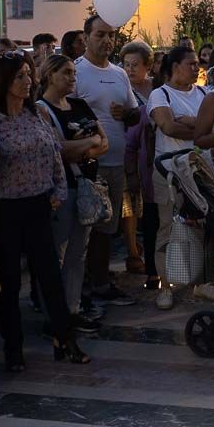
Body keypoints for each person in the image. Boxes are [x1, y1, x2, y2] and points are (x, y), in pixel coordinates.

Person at [0, 53, 88, 370]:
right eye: (19, 77)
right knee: (10, 283)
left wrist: (56, 190)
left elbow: (54, 152)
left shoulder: (36, 115)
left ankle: (64, 339)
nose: (28, 82)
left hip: (40, 205)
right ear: (3, 82)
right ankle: (14, 349)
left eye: (29, 75)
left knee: (50, 278)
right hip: (5, 210)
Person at [37, 55, 108, 333]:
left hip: (85, 186)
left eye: (73, 74)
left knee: (79, 252)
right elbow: (57, 149)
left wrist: (84, 145)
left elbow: (104, 142)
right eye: (66, 73)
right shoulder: (42, 109)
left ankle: (73, 307)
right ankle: (53, 312)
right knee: (58, 251)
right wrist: (88, 143)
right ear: (50, 75)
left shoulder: (79, 105)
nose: (72, 78)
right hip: (62, 187)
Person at [74, 15, 139, 308]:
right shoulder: (75, 72)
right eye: (100, 34)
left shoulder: (120, 74)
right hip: (87, 163)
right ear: (85, 37)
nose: (106, 41)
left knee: (108, 227)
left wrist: (125, 113)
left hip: (115, 162)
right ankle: (89, 283)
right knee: (88, 228)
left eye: (111, 35)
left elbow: (136, 113)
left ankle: (99, 280)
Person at [149, 45, 214, 309]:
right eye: (190, 63)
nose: (196, 68)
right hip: (170, 172)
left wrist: (190, 122)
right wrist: (200, 128)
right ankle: (165, 285)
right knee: (170, 227)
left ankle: (203, 283)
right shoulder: (160, 94)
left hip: (202, 169)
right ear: (175, 67)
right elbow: (168, 126)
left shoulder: (204, 93)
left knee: (207, 226)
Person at [119, 41, 154, 277]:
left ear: (147, 66)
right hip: (126, 151)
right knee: (128, 205)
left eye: (135, 65)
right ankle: (132, 252)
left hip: (150, 154)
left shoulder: (155, 89)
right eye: (126, 64)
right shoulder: (120, 88)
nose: (130, 69)